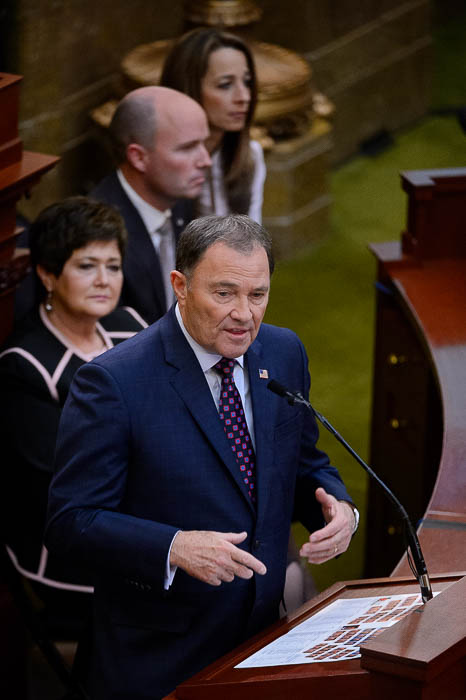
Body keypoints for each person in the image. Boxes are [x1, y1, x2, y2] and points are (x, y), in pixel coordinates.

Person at [45, 214, 358, 699]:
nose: (244, 314)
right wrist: (173, 547)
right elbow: (71, 521)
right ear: (181, 286)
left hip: (261, 640)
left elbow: (301, 463)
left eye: (258, 295)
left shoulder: (284, 351)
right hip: (160, 659)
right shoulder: (113, 382)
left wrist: (336, 506)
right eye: (224, 293)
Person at [0, 196, 147, 636]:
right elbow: (65, 478)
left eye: (113, 266)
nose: (104, 280)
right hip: (71, 553)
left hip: (144, 517)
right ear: (47, 274)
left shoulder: (132, 327)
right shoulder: (24, 365)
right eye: (86, 266)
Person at [90, 85, 212, 323]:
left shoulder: (180, 201)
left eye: (203, 144)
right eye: (187, 148)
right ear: (138, 157)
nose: (205, 160)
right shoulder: (98, 236)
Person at [161, 27, 266, 222]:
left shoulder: (250, 157)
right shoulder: (159, 167)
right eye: (225, 85)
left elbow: (253, 241)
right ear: (189, 88)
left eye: (247, 82)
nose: (244, 97)